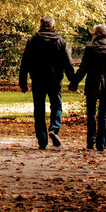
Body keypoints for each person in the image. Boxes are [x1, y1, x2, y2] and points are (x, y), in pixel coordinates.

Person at [18, 15, 75, 149]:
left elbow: (25, 62)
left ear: (40, 25)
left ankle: (42, 141)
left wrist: (23, 82)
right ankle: (54, 129)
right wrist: (73, 81)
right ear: (53, 26)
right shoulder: (60, 41)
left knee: (39, 110)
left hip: (37, 79)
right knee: (56, 106)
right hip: (55, 80)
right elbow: (68, 63)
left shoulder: (33, 41)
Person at [70, 23, 106, 152]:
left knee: (91, 114)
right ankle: (101, 143)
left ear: (95, 34)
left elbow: (83, 68)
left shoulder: (90, 49)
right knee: (103, 114)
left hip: (92, 83)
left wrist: (74, 82)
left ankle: (90, 141)